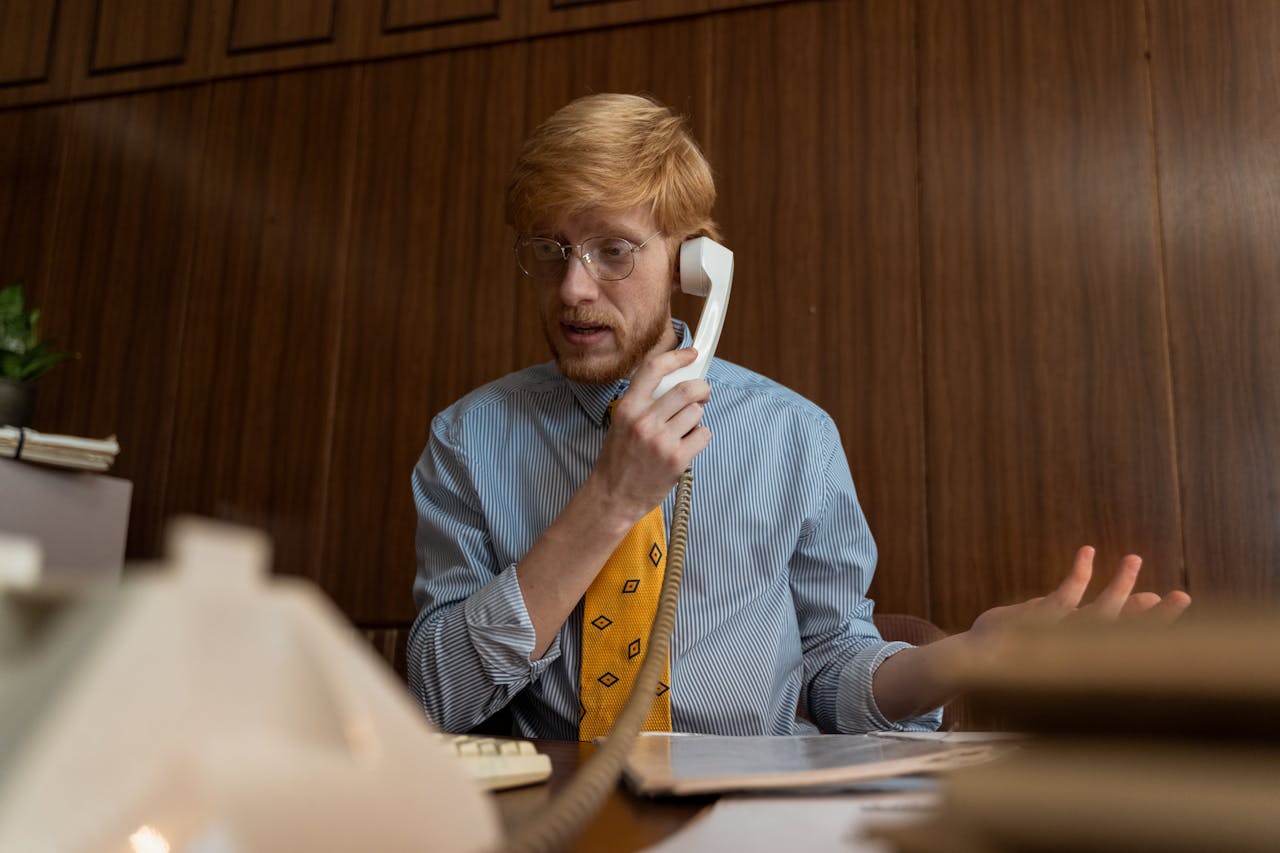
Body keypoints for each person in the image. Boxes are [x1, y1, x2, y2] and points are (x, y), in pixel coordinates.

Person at [407, 93, 1191, 740]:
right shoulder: (467, 442)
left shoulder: (793, 435)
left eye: (613, 249)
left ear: (691, 262)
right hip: (557, 811)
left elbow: (831, 666)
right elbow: (439, 697)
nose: (574, 289)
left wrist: (967, 658)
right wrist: (609, 500)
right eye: (550, 250)